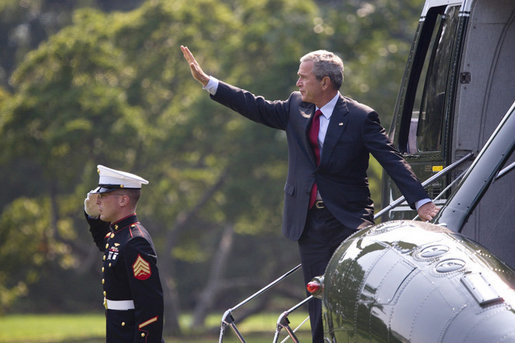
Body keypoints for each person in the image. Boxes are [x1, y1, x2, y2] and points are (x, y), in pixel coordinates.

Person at [181, 45, 439, 342]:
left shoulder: (360, 117)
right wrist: (208, 83)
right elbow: (254, 105)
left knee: (349, 297)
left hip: (349, 221)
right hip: (308, 222)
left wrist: (422, 202)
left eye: (303, 77)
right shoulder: (295, 107)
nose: (298, 83)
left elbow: (391, 159)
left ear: (325, 82)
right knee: (317, 299)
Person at [84, 165, 165, 343]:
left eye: (103, 196)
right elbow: (106, 245)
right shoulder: (119, 234)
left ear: (123, 200)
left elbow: (150, 306)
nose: (98, 201)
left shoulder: (135, 241)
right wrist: (92, 217)